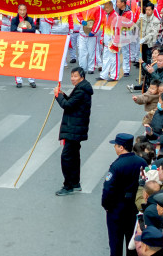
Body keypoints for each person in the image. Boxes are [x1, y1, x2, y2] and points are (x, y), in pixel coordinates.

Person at [102, 133, 146, 256]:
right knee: (132, 243)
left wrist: (106, 206)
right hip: (134, 208)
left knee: (116, 243)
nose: (115, 148)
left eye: (115, 145)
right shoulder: (141, 162)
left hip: (117, 209)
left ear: (121, 147)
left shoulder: (116, 166)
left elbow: (108, 189)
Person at [55, 67, 93, 196]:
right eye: (71, 76)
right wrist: (63, 95)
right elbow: (71, 102)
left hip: (74, 128)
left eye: (75, 76)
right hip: (76, 127)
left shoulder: (81, 90)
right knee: (74, 156)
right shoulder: (81, 88)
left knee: (67, 157)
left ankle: (68, 185)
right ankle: (75, 183)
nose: (72, 78)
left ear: (81, 77)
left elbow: (67, 105)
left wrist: (58, 96)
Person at [11, 4, 37, 88]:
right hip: (18, 43)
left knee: (30, 61)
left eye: (24, 10)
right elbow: (13, 30)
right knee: (18, 61)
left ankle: (31, 80)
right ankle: (19, 81)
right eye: (21, 10)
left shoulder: (30, 19)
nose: (22, 12)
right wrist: (26, 30)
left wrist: (21, 30)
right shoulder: (14, 20)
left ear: (26, 10)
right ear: (18, 10)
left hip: (28, 42)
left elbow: (33, 30)